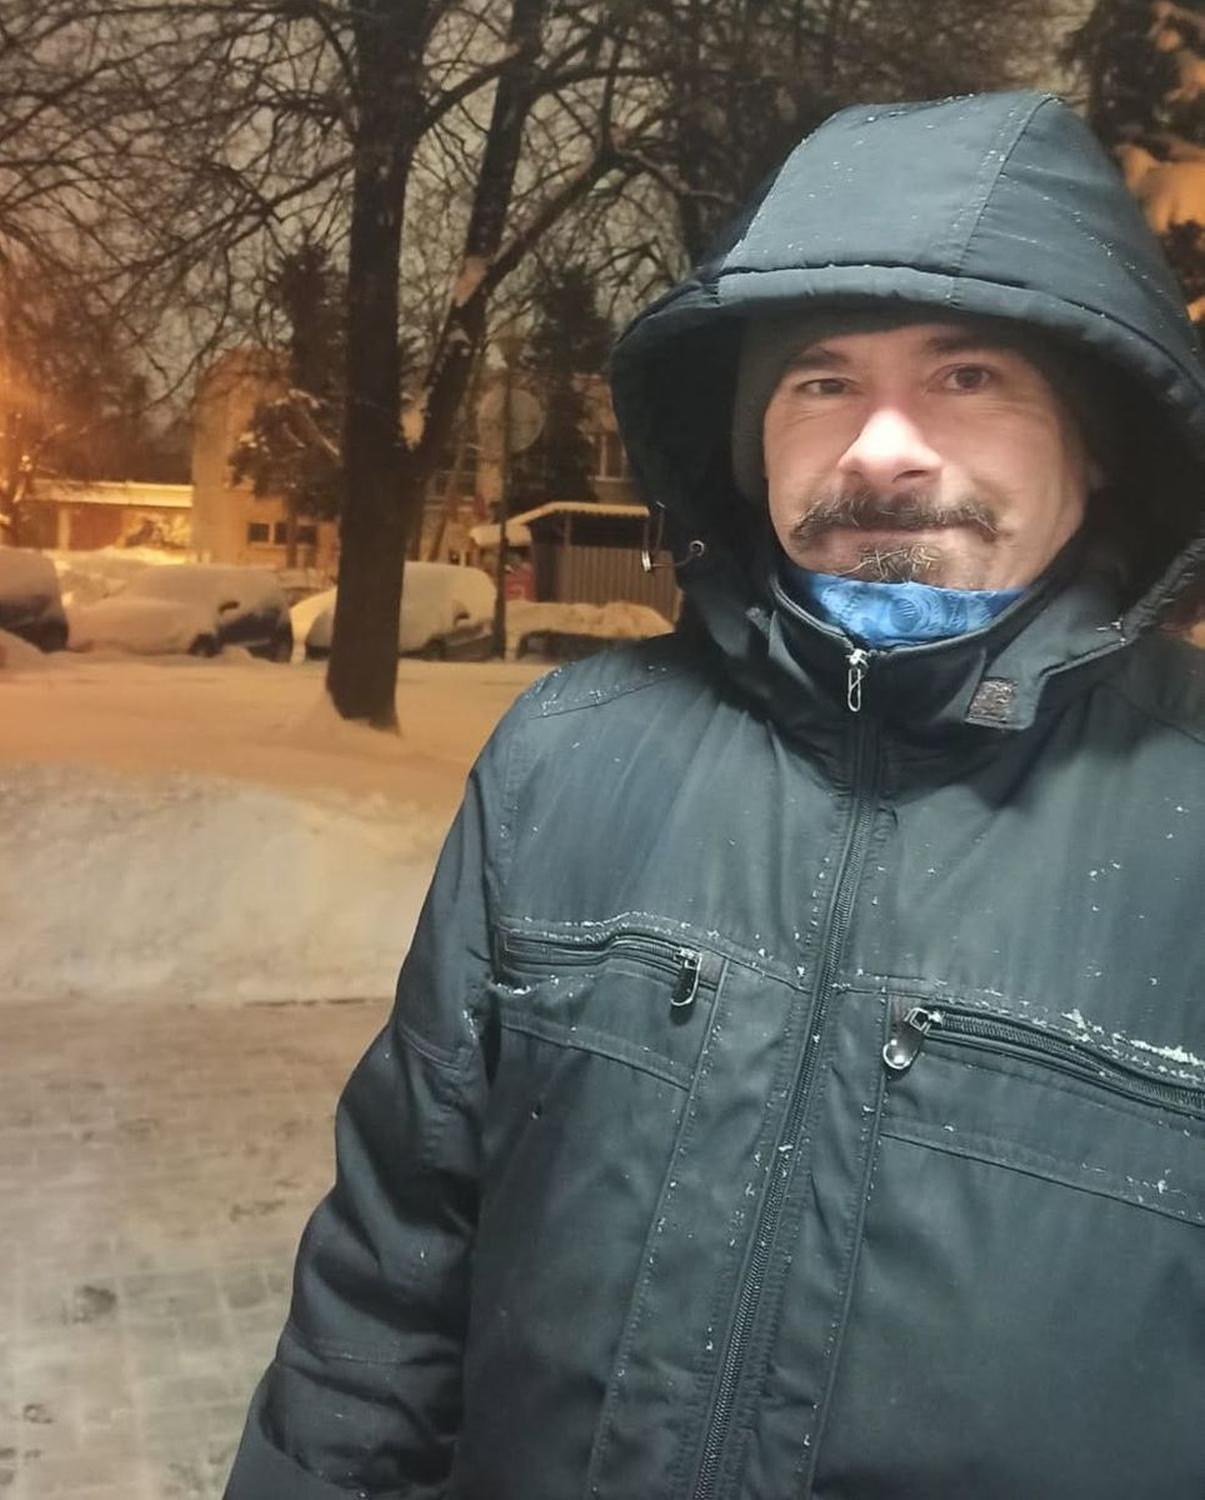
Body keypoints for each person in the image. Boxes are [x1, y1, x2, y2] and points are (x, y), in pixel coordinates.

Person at [225, 90, 1204, 1499]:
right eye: (820, 382)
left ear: (1098, 438)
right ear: (750, 446)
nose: (880, 447)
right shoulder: (568, 759)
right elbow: (389, 1286)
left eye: (967, 374)